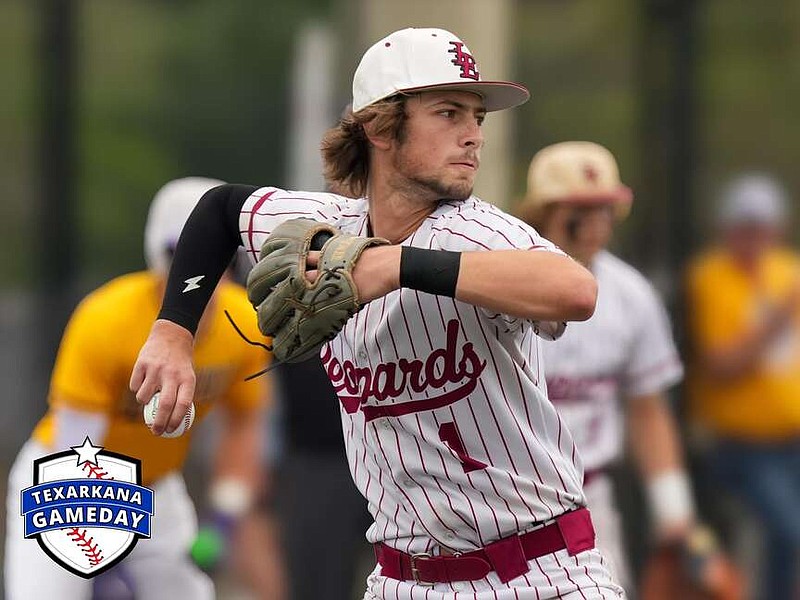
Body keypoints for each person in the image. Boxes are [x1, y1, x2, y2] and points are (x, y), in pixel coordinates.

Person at [130, 27, 625, 599]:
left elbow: (575, 290)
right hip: (404, 578)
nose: (472, 136)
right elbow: (218, 210)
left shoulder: (481, 232)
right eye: (448, 113)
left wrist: (396, 265)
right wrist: (172, 332)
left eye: (477, 118)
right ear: (379, 126)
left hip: (539, 572)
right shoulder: (323, 224)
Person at [4, 177, 276, 600]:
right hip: (66, 480)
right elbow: (73, 446)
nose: (200, 270)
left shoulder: (244, 325)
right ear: (157, 253)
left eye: (216, 255)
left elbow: (244, 423)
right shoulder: (106, 319)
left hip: (155, 486)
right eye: (179, 253)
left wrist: (225, 514)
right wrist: (103, 556)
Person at [514, 141, 696, 592]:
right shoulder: (503, 282)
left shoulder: (632, 294)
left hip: (587, 498)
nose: (597, 224)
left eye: (606, 210)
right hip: (504, 499)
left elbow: (647, 409)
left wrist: (674, 511)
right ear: (543, 212)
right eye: (581, 211)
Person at [685, 173, 800, 600]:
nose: (753, 238)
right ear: (728, 229)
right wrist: (776, 319)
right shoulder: (712, 277)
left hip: (792, 437)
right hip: (741, 444)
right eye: (744, 227)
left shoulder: (787, 270)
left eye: (762, 227)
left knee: (786, 539)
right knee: (786, 531)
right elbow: (721, 364)